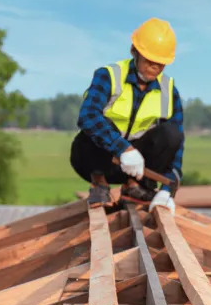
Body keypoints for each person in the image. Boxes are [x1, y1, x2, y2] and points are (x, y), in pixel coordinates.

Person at [71, 17, 185, 211]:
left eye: (161, 63)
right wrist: (123, 149)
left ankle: (135, 188)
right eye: (150, 60)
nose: (155, 67)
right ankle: (99, 184)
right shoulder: (109, 76)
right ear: (134, 51)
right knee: (99, 124)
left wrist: (167, 189)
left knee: (172, 134)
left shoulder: (169, 90)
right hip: (99, 160)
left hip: (140, 170)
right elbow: (87, 116)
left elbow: (176, 144)